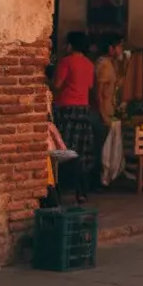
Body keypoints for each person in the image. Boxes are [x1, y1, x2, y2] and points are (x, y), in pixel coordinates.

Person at [52, 31, 96, 203]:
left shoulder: (66, 61)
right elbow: (90, 86)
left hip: (67, 110)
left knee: (63, 150)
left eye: (66, 43)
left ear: (71, 45)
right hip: (83, 110)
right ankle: (82, 191)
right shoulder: (89, 64)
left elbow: (57, 85)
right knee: (81, 152)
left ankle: (59, 188)